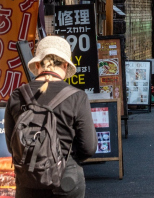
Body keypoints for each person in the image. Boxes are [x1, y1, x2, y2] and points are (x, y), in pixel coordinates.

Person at [5, 36, 97, 198]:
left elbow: (12, 145)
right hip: (65, 180)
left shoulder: (17, 96)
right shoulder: (77, 97)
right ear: (65, 65)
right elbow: (88, 147)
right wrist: (66, 160)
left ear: (38, 64)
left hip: (28, 180)